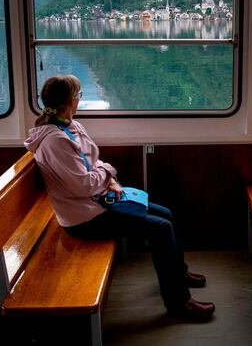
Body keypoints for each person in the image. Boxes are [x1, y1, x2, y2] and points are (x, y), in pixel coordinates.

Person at [24, 74, 215, 322]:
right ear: (71, 100)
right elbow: (84, 185)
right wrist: (109, 172)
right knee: (161, 228)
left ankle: (178, 273)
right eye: (79, 95)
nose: (79, 100)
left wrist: (109, 178)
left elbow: (93, 162)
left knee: (165, 214)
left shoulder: (71, 126)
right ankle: (179, 303)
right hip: (84, 219)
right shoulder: (55, 141)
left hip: (98, 201)